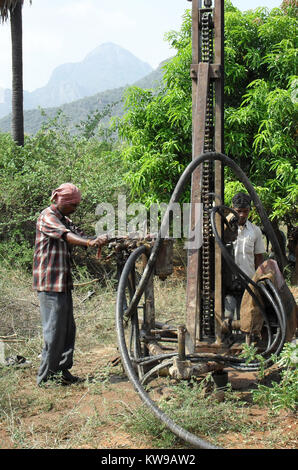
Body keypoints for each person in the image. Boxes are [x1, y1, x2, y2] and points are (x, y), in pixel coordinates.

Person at [33, 183, 108, 386]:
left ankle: (62, 372)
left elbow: (80, 235)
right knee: (54, 331)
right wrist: (88, 243)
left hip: (63, 283)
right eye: (73, 205)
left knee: (67, 330)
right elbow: (67, 236)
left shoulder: (64, 219)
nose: (75, 208)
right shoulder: (47, 217)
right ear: (62, 202)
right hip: (50, 283)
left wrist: (98, 239)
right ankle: (46, 378)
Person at [225, 192, 266, 320]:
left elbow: (258, 257)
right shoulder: (223, 229)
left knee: (246, 318)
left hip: (248, 281)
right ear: (232, 209)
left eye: (245, 211)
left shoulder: (255, 231)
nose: (242, 215)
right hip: (227, 282)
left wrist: (258, 279)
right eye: (238, 211)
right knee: (228, 317)